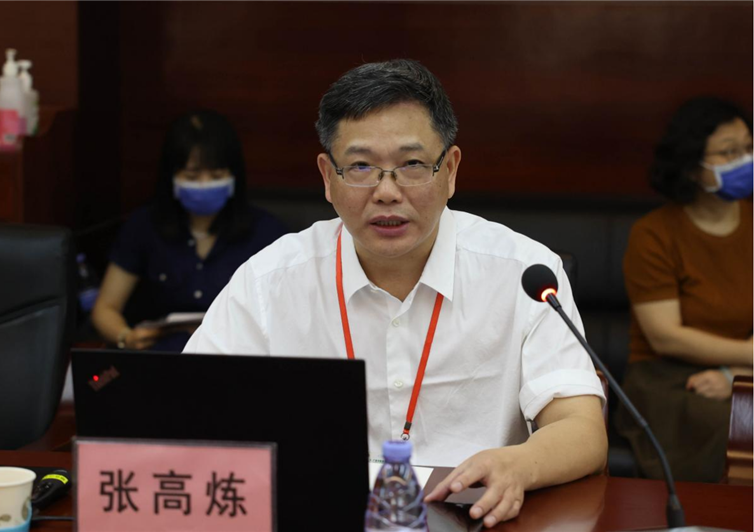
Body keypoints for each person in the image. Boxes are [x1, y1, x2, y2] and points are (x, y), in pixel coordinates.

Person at [185, 60, 607, 528]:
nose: (387, 192)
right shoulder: (269, 281)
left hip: (475, 518)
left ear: (450, 170)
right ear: (328, 177)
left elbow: (581, 428)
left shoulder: (523, 273)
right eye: (361, 166)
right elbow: (189, 412)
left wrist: (519, 465)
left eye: (411, 165)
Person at [618, 97, 753, 483]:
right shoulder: (654, 234)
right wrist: (746, 359)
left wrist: (736, 372)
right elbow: (666, 336)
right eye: (729, 152)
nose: (744, 160)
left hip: (744, 371)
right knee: (743, 426)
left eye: (748, 147)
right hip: (671, 382)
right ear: (693, 166)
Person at [92, 110, 287, 352]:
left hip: (236, 360)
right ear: (172, 176)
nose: (204, 185)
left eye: (216, 175)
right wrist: (126, 337)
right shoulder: (143, 226)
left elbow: (287, 315)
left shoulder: (267, 232)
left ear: (234, 176)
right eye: (192, 175)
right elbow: (105, 308)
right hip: (159, 358)